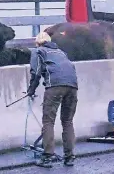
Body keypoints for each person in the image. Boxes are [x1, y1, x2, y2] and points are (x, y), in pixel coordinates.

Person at [26, 31, 79, 168]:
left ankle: (47, 157)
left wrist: (31, 90)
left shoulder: (38, 51)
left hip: (54, 86)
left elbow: (36, 72)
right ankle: (70, 157)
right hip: (73, 87)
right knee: (67, 121)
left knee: (48, 121)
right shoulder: (61, 52)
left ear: (37, 43)